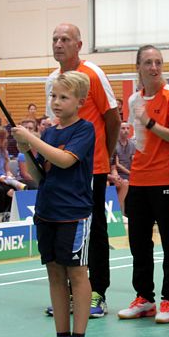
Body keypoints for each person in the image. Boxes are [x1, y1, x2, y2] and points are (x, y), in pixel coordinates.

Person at [13, 71, 95, 337]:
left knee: (76, 273)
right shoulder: (49, 134)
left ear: (80, 102)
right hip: (46, 211)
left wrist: (32, 138)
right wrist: (25, 152)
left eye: (64, 97)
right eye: (53, 96)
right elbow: (41, 175)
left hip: (72, 214)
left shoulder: (85, 130)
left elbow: (65, 160)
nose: (56, 102)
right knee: (55, 274)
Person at [45, 23, 121, 318]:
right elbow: (55, 123)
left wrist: (105, 155)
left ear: (79, 44)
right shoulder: (53, 79)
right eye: (55, 39)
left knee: (94, 232)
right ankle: (68, 294)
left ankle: (97, 292)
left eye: (65, 39)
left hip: (92, 169)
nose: (59, 43)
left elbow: (112, 119)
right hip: (61, 169)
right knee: (64, 230)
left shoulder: (93, 74)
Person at [117, 46, 169, 324]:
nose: (154, 67)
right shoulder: (133, 99)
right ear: (139, 66)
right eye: (148, 62)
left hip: (167, 179)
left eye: (158, 62)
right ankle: (144, 298)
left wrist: (150, 122)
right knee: (139, 244)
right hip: (139, 180)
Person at [107, 122, 134, 216]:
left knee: (124, 183)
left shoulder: (113, 148)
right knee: (106, 183)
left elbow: (113, 166)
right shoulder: (112, 145)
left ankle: (116, 214)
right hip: (102, 175)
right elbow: (117, 165)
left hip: (114, 175)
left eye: (127, 128)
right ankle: (111, 215)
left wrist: (115, 176)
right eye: (123, 128)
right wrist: (111, 176)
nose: (126, 131)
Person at [17, 119, 40, 190]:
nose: (27, 130)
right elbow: (24, 174)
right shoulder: (22, 154)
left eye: (30, 128)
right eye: (26, 128)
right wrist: (38, 180)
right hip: (25, 180)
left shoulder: (41, 154)